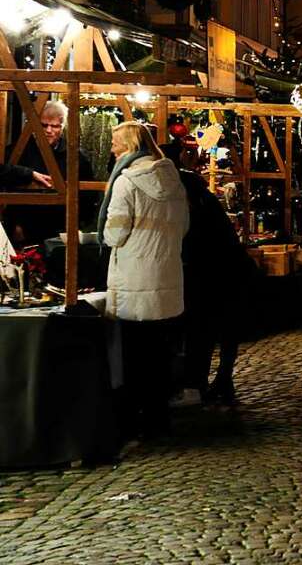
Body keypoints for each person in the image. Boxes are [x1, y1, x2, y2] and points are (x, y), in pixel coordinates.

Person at [99, 122, 188, 438]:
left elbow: (115, 233)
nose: (111, 148)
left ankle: (136, 421)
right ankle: (158, 417)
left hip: (135, 282)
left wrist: (105, 235)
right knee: (160, 354)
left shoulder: (127, 182)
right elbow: (184, 226)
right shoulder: (173, 179)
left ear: (127, 146)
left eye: (114, 142)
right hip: (167, 277)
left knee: (135, 355)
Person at [164, 141, 253, 407]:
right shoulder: (198, 192)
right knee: (223, 328)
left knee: (202, 328)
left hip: (215, 270)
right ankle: (221, 380)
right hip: (227, 267)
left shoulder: (185, 193)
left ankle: (198, 385)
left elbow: (194, 237)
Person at [4, 100, 91, 244]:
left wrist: (77, 225)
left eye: (55, 126)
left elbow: (88, 196)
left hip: (59, 230)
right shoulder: (18, 151)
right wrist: (14, 224)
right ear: (33, 125)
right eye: (44, 125)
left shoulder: (76, 157)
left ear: (62, 127)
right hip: (22, 229)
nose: (49, 130)